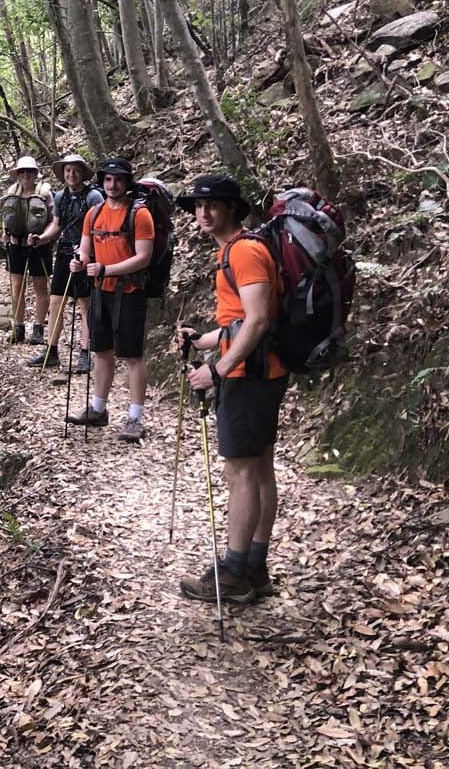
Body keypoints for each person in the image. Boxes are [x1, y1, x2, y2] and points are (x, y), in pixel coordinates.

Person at [174, 174, 289, 605]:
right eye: (198, 207)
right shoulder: (236, 250)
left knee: (240, 472)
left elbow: (258, 320)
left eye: (212, 205)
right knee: (258, 468)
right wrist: (202, 340)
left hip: (249, 377)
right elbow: (240, 323)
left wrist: (217, 371)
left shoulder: (244, 251)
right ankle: (255, 568)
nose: (203, 213)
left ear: (231, 208)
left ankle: (235, 572)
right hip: (257, 372)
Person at [68, 157, 153, 442]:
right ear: (102, 182)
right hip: (99, 291)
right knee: (101, 351)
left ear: (127, 182)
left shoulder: (140, 215)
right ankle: (98, 409)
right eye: (107, 179)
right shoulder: (94, 214)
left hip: (129, 292)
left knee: (132, 355)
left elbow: (143, 257)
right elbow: (85, 249)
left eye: (118, 180)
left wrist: (107, 270)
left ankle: (135, 418)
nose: (112, 185)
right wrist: (79, 262)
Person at [28, 154, 102, 372]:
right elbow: (56, 225)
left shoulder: (94, 197)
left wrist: (87, 251)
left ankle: (86, 353)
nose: (71, 175)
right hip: (64, 251)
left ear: (83, 173)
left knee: (85, 305)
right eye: (68, 171)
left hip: (87, 255)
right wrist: (42, 238)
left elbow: (100, 228)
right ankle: (51, 351)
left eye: (75, 170)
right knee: (55, 302)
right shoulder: (60, 196)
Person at [0, 156, 52, 345]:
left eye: (30, 172)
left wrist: (43, 237)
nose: (26, 175)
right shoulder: (12, 192)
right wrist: (5, 233)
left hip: (39, 246)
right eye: (23, 172)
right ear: (18, 175)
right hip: (16, 244)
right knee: (16, 286)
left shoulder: (45, 193)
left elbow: (53, 219)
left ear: (35, 174)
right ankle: (18, 327)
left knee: (40, 287)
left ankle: (38, 329)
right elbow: (7, 216)